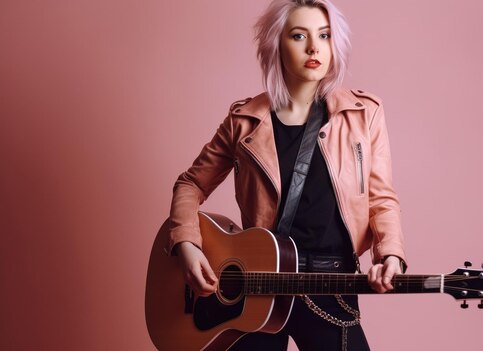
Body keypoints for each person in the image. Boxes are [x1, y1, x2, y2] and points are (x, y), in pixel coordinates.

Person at [168, 0, 407, 350]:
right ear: (276, 44)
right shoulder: (244, 120)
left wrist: (391, 256)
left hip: (330, 285)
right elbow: (190, 184)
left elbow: (381, 198)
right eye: (299, 36)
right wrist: (186, 244)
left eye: (324, 36)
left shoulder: (363, 114)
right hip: (256, 288)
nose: (314, 47)